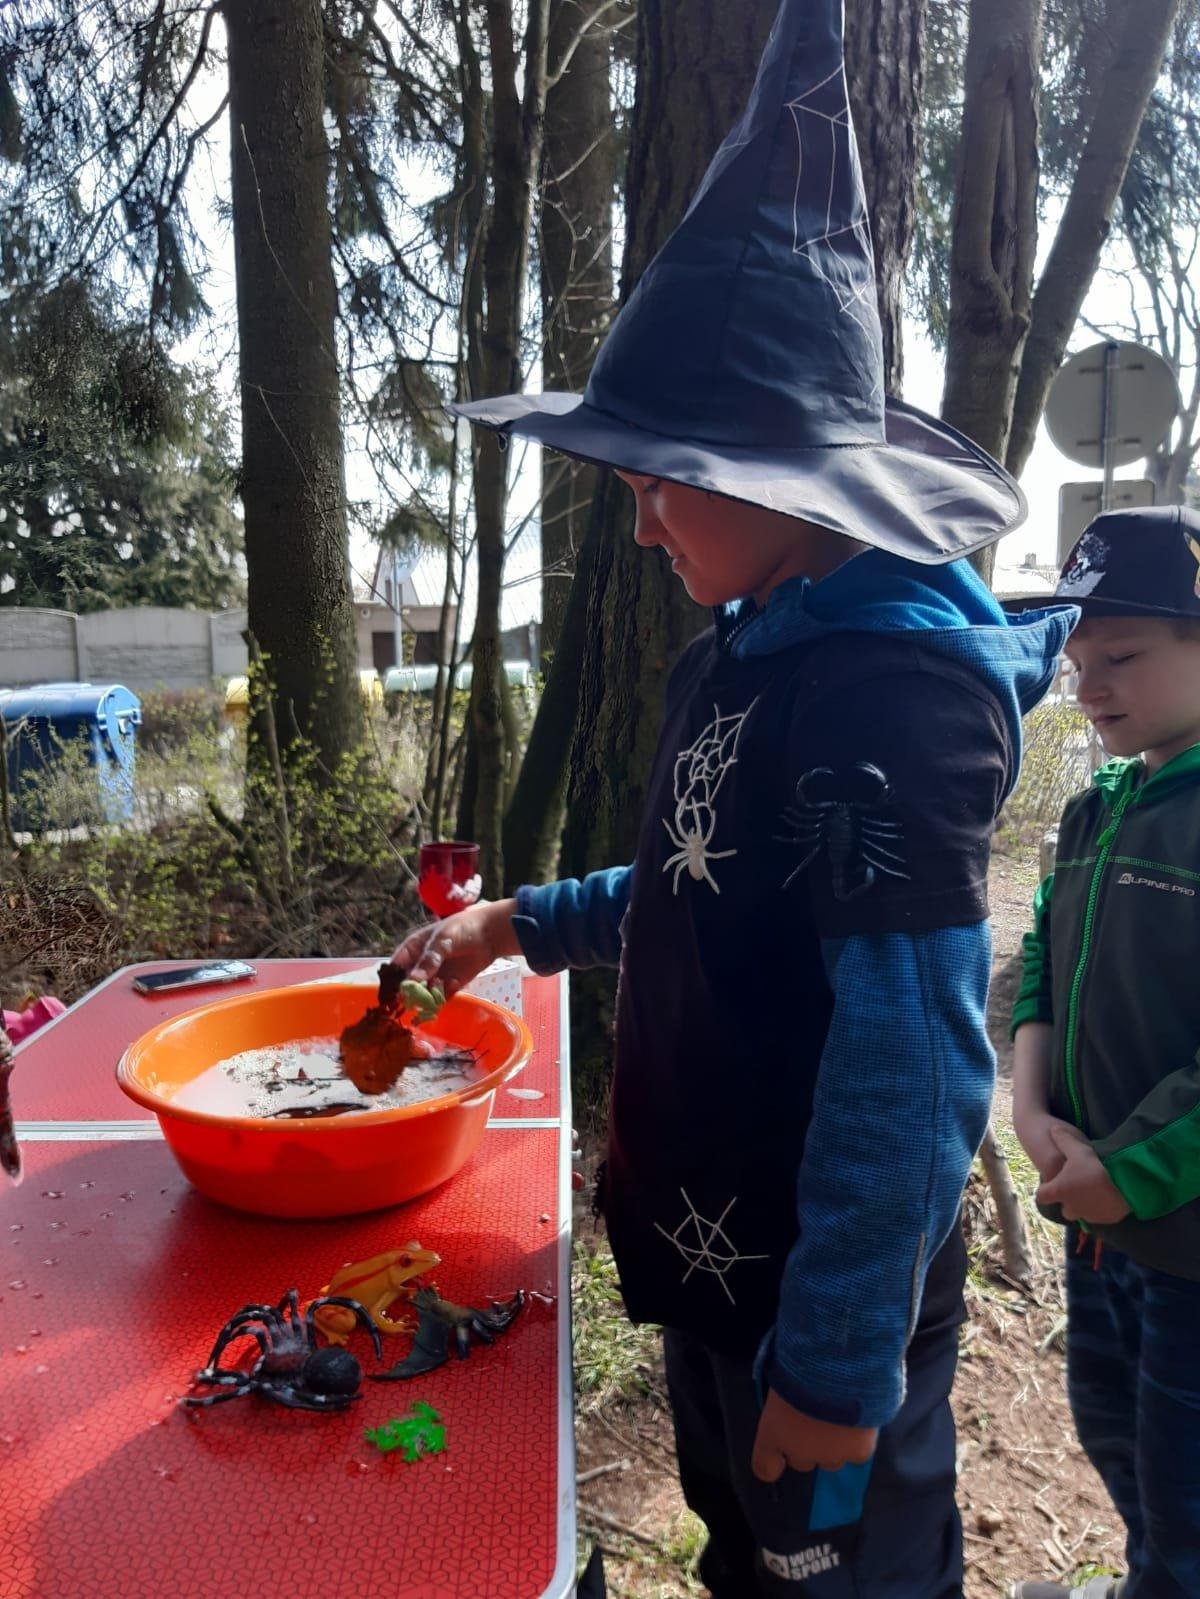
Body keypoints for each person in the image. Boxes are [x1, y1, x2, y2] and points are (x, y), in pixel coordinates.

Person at [395, 3, 1072, 1592]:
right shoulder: (745, 642)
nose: (639, 525)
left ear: (775, 474)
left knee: (841, 1571)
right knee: (740, 1556)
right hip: (718, 1269)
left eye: (655, 482)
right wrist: (521, 922)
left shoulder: (890, 698)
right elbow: (710, 884)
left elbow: (911, 1060)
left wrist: (834, 1367)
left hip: (815, 1304)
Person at [1009, 506, 1200, 1599]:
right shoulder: (1092, 812)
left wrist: (1129, 1169)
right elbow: (1044, 955)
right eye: (1078, 664)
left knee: (1189, 1504)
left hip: (1186, 1245)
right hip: (1099, 1230)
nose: (1088, 688)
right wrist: (1030, 1104)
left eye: (1121, 657)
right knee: (1112, 1432)